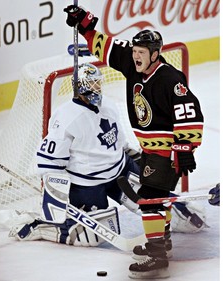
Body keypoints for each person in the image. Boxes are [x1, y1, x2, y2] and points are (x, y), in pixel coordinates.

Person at [63, 5, 204, 279]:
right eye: (135, 52)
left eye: (141, 53)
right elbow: (107, 47)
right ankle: (161, 244)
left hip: (167, 152)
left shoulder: (171, 80)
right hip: (149, 150)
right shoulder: (131, 62)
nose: (136, 57)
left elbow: (190, 113)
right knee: (157, 200)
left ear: (155, 54)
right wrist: (85, 25)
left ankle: (157, 257)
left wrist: (185, 148)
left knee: (150, 200)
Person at [9, 63, 140, 246]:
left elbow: (119, 140)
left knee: (153, 204)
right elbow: (50, 162)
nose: (97, 88)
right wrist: (58, 196)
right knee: (93, 236)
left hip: (120, 170)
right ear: (81, 86)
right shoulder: (66, 117)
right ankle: (43, 227)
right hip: (87, 184)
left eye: (98, 83)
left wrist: (135, 156)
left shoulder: (108, 105)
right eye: (92, 83)